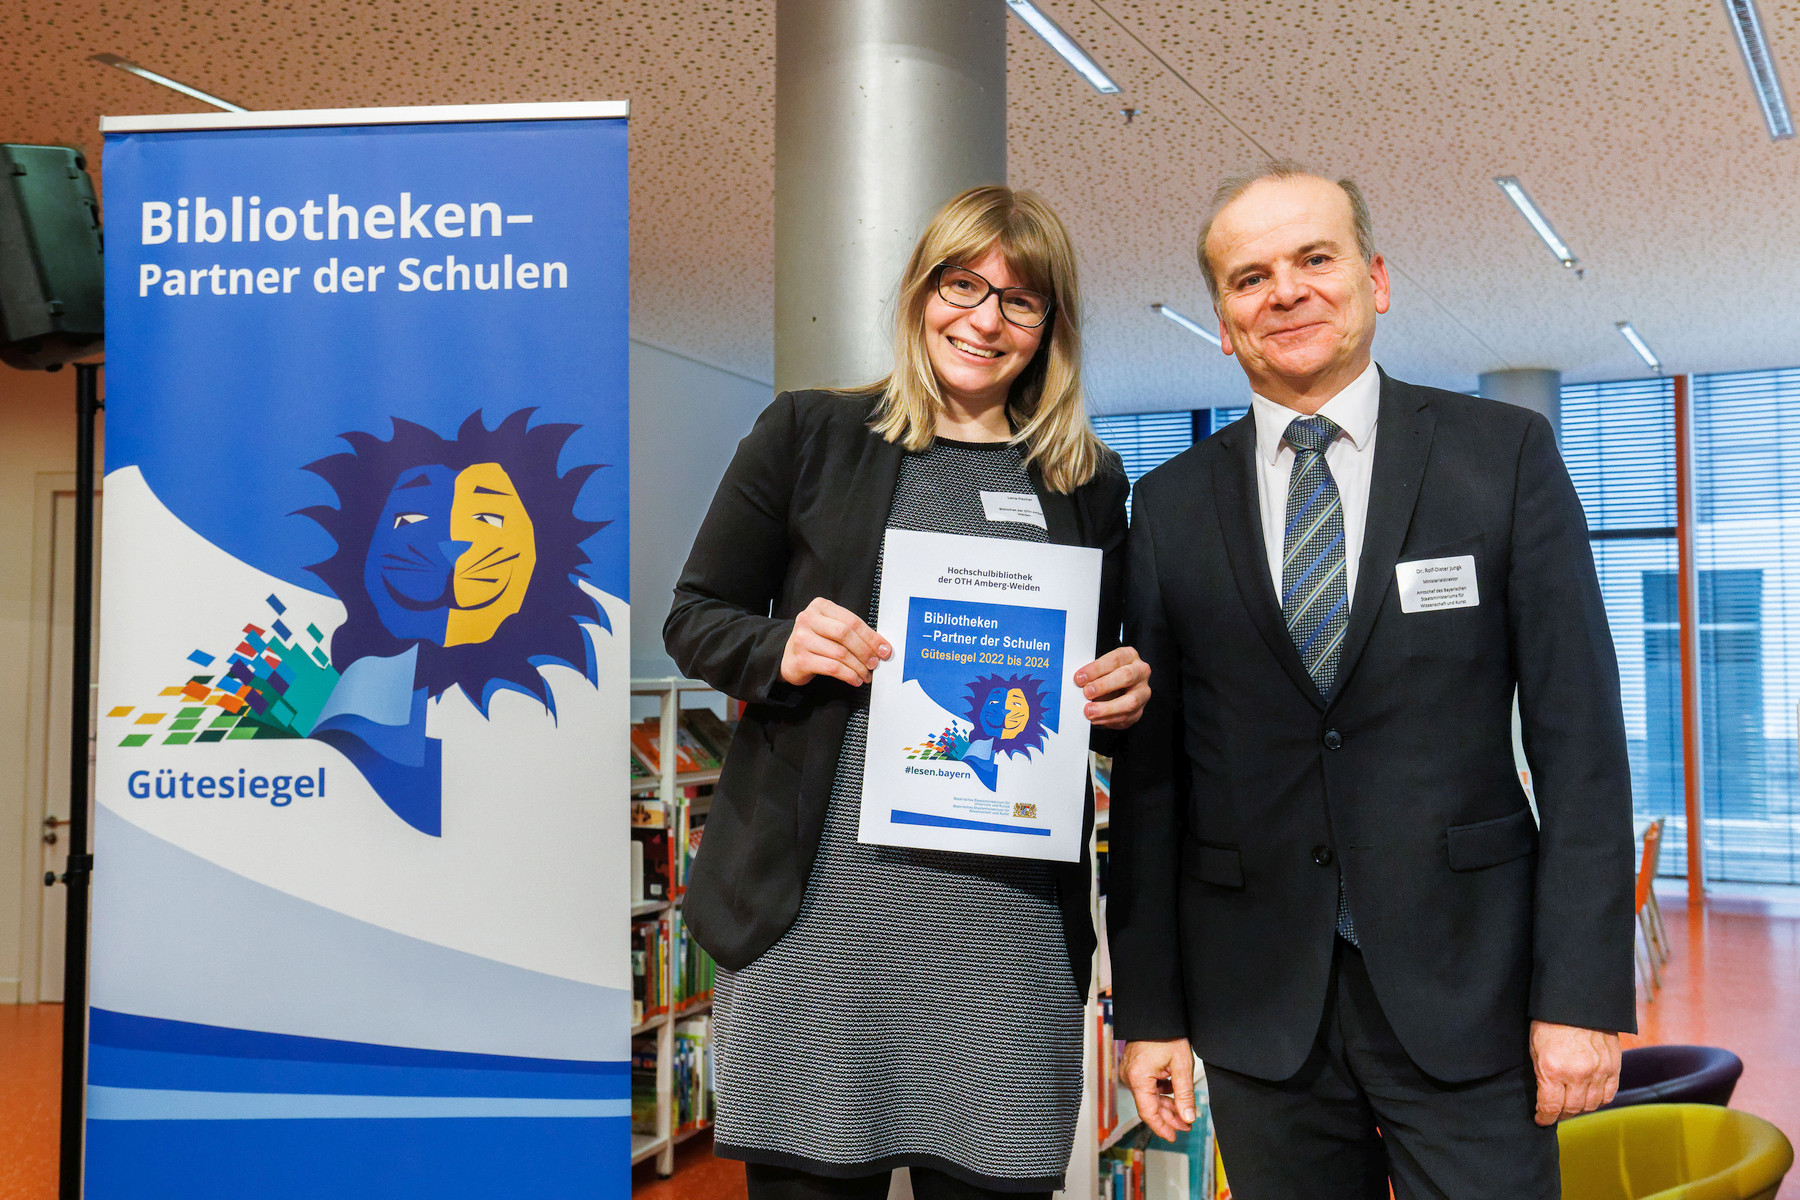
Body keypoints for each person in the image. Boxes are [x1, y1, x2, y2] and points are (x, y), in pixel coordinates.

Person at [1108, 160, 1636, 1198]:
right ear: (1222, 320)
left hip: (1472, 988)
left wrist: (1578, 994)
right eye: (1250, 276)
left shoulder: (1502, 457)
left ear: (1376, 279)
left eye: (1315, 258)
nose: (1286, 291)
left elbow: (1582, 743)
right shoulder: (1167, 507)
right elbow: (1153, 782)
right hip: (1261, 1006)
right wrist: (1152, 1013)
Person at [665, 185, 1150, 1200]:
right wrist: (783, 645)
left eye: (1020, 302)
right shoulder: (811, 435)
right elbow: (697, 617)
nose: (983, 320)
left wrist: (1120, 693)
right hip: (817, 932)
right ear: (919, 292)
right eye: (960, 285)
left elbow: (1089, 691)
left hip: (1002, 942)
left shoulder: (1087, 482)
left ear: (1053, 327)